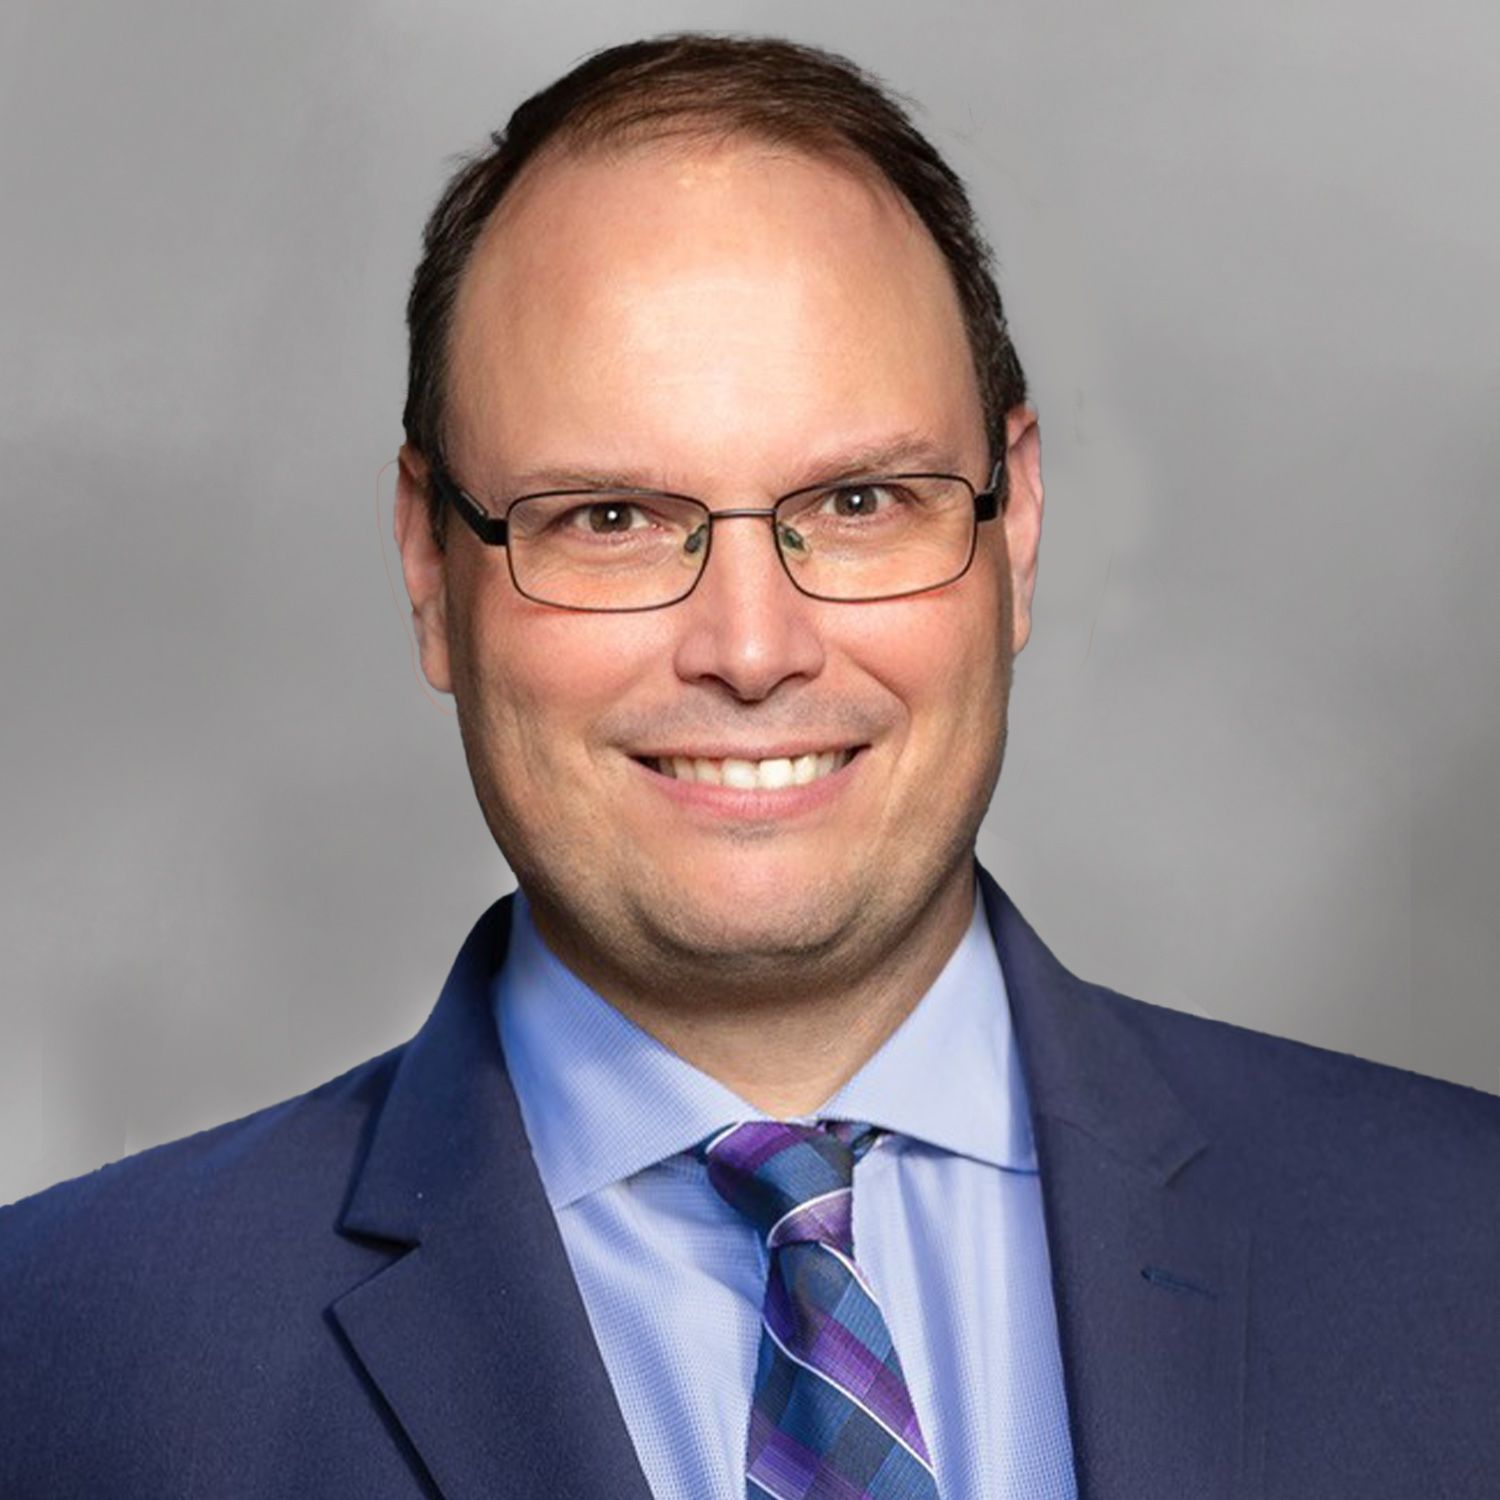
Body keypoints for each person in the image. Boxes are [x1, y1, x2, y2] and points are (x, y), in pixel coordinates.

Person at [2, 31, 1496, 1500]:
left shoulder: (1463, 1256)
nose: (752, 647)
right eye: (609, 519)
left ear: (1018, 527)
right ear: (428, 565)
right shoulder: (64, 1357)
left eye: (859, 500)